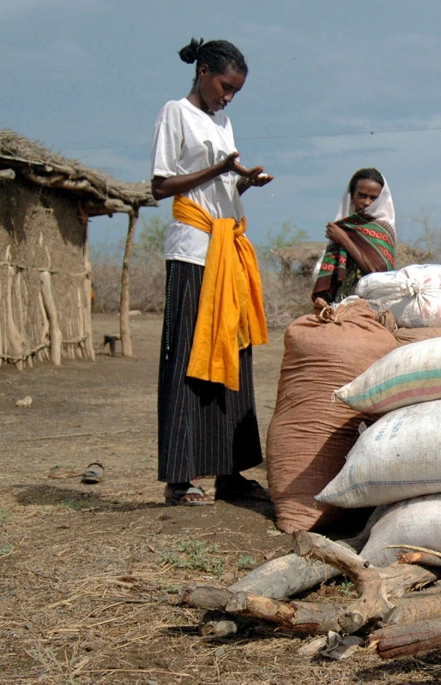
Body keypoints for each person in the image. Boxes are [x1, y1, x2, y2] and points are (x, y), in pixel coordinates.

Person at [151, 38, 274, 506]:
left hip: (227, 252)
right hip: (194, 253)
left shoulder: (222, 122)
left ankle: (231, 471)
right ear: (203, 72)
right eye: (225, 86)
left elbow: (221, 183)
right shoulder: (175, 113)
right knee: (188, 357)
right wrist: (218, 168)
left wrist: (243, 180)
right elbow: (161, 185)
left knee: (232, 356)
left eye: (235, 92)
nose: (228, 97)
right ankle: (179, 478)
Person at [312, 168, 396, 304]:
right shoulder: (344, 227)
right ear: (352, 197)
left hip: (371, 304)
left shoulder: (383, 230)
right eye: (362, 196)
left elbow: (377, 273)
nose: (367, 202)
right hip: (340, 302)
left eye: (373, 198)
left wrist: (344, 240)